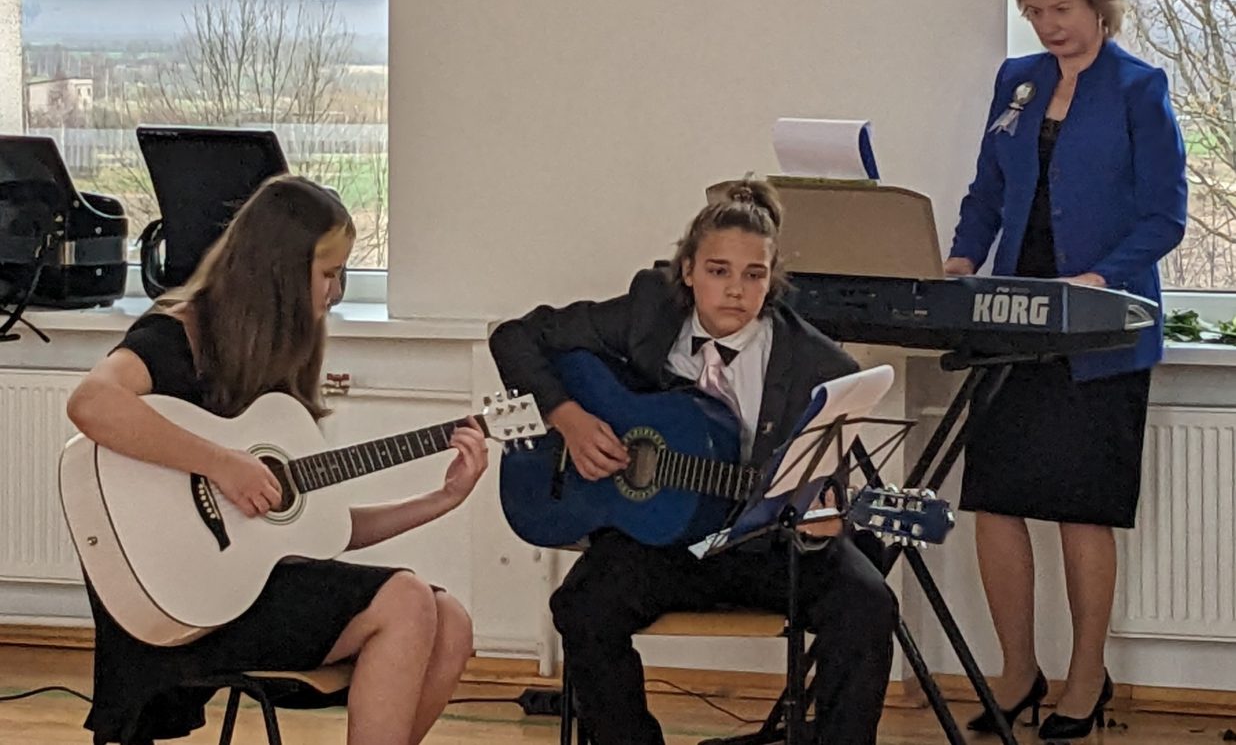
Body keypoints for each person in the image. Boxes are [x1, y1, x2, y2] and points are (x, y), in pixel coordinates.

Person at [66, 175, 488, 745]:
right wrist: (221, 463)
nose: (335, 293)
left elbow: (321, 530)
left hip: (253, 589)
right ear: (282, 273)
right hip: (182, 598)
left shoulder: (276, 365)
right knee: (406, 598)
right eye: (328, 274)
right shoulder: (176, 335)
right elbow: (91, 403)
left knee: (451, 622)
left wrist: (443, 498)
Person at [488, 177, 897, 745]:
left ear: (772, 279)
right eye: (718, 270)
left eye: (754, 275)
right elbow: (514, 337)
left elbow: (826, 485)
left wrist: (823, 523)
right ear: (687, 271)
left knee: (867, 604)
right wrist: (568, 417)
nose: (735, 290)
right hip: (663, 541)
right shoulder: (648, 314)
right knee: (584, 607)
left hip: (768, 547)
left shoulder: (821, 366)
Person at [946, 0, 1187, 739]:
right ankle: (1019, 671)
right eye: (1035, 9)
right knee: (995, 500)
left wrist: (1100, 278)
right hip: (1013, 322)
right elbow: (988, 192)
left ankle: (1086, 677)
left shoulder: (1140, 87)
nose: (1048, 24)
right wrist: (961, 258)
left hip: (1101, 328)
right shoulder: (1017, 80)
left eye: (1062, 8)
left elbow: (1165, 215)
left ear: (1099, 7)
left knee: (1083, 507)